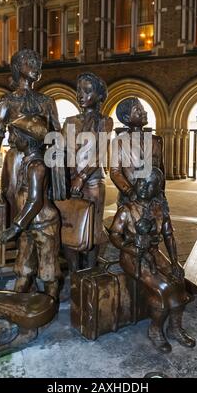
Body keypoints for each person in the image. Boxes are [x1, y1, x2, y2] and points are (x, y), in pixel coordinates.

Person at [110, 168, 195, 353]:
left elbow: (168, 236)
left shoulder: (160, 209)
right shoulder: (127, 210)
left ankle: (175, 327)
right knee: (163, 288)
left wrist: (174, 262)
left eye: (150, 185)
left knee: (179, 280)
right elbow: (115, 236)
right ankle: (155, 330)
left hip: (153, 252)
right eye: (141, 182)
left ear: (157, 189)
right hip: (132, 256)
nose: (144, 188)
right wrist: (131, 247)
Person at [0, 49, 65, 223]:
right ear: (18, 66)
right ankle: (16, 237)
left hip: (39, 157)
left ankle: (34, 236)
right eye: (31, 63)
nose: (37, 68)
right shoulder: (6, 101)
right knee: (12, 196)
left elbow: (57, 136)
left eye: (39, 65)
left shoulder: (47, 101)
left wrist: (59, 170)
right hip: (15, 157)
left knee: (39, 198)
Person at [0, 115, 61, 302]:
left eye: (14, 136)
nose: (11, 140)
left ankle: (50, 303)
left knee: (48, 270)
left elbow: (35, 201)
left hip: (43, 224)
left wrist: (14, 228)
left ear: (26, 139)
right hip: (28, 224)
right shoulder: (26, 162)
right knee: (23, 265)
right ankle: (16, 303)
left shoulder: (37, 166)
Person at [62, 72, 113, 271]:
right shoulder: (70, 121)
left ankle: (91, 270)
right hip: (72, 180)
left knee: (93, 228)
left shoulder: (105, 121)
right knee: (69, 225)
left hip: (92, 183)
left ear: (99, 96)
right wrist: (69, 176)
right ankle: (75, 271)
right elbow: (63, 150)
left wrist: (81, 178)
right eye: (78, 90)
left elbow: (99, 153)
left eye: (87, 91)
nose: (80, 95)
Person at [110, 97, 165, 206]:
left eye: (143, 109)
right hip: (131, 199)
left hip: (154, 198)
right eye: (138, 110)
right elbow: (115, 172)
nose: (144, 112)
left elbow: (161, 169)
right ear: (127, 117)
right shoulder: (120, 142)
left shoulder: (156, 140)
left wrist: (162, 191)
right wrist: (129, 191)